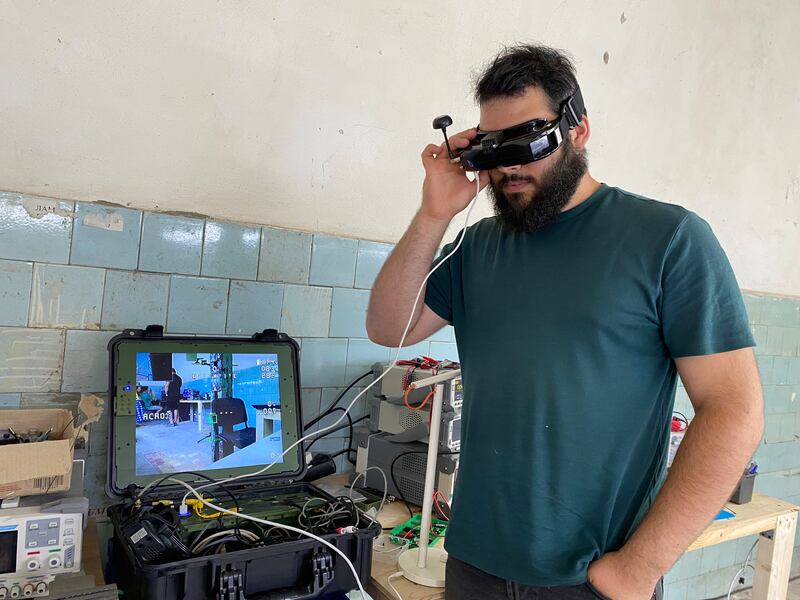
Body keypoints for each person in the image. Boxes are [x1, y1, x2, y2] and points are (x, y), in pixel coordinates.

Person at [366, 44, 763, 600]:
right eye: (492, 147)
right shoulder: (479, 246)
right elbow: (390, 327)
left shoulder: (667, 239)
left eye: (526, 142)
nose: (508, 166)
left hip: (591, 576)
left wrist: (637, 570)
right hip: (474, 564)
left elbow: (734, 411)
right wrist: (435, 212)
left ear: (577, 130)